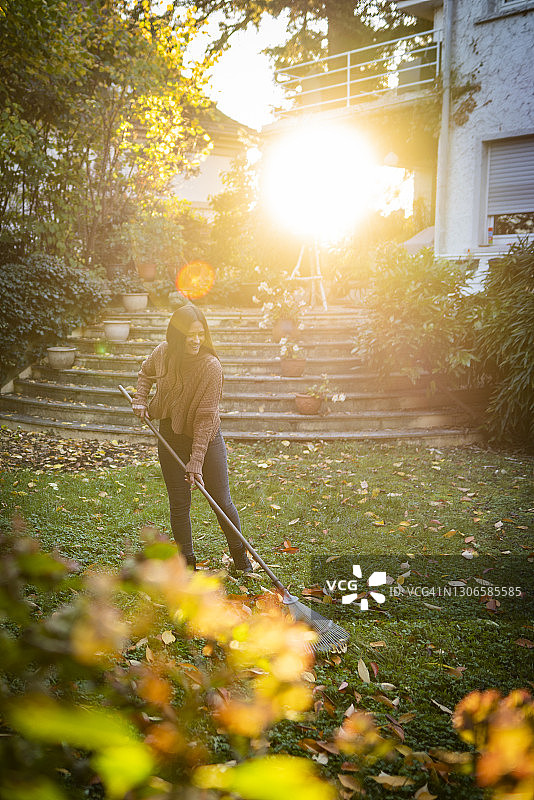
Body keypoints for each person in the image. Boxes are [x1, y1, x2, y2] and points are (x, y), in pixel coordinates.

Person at [132, 303, 253, 573]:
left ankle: (240, 558)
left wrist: (196, 460)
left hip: (206, 439)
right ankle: (187, 565)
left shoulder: (211, 367)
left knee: (221, 500)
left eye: (200, 334)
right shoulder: (163, 353)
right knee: (179, 502)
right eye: (190, 334)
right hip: (170, 434)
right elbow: (145, 372)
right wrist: (141, 399)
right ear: (177, 335)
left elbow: (205, 417)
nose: (196, 340)